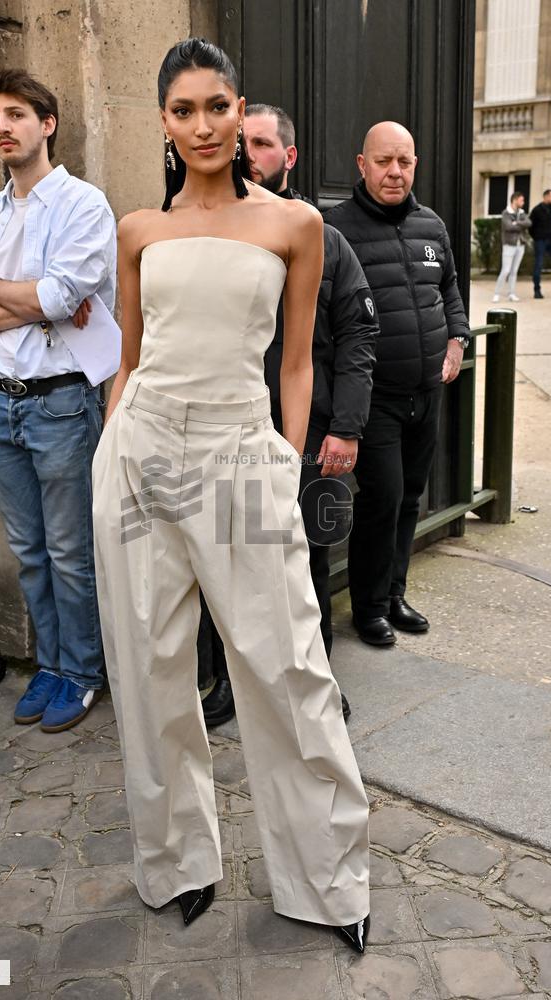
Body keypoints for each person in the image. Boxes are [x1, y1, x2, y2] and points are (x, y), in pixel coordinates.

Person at [92, 38, 370, 952]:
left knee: (284, 660)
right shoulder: (138, 229)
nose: (204, 126)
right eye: (184, 111)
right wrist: (109, 447)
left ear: (239, 109)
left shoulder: (293, 225)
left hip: (239, 453)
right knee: (150, 666)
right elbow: (130, 359)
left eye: (217, 107)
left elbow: (296, 360)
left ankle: (327, 882)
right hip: (139, 453)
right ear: (164, 123)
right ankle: (176, 864)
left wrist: (282, 462)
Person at [0, 68, 116, 732]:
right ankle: (50, 664)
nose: (3, 128)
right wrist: (31, 301)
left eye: (15, 114)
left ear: (45, 124)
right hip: (4, 404)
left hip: (63, 404)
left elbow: (63, 296)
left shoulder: (82, 204)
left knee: (72, 552)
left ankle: (82, 672)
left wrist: (7, 292)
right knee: (31, 551)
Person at [198, 102, 378, 728]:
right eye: (242, 141)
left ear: (289, 157)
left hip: (307, 439)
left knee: (305, 562)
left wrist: (347, 428)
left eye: (264, 144)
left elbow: (356, 337)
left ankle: (314, 683)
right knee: (219, 559)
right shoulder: (202, 235)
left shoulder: (323, 240)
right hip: (222, 434)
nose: (250, 152)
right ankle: (225, 681)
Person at [325, 121, 470, 646]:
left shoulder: (432, 225)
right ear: (361, 166)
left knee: (410, 496)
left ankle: (394, 594)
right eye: (384, 161)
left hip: (426, 391)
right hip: (375, 396)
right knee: (381, 499)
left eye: (404, 162)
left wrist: (458, 337)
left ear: (415, 165)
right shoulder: (335, 228)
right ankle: (367, 608)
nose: (395, 172)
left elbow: (450, 288)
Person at [493, 191, 531, 303]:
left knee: (514, 271)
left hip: (520, 245)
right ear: (514, 200)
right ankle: (496, 294)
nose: (523, 202)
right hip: (509, 245)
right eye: (521, 200)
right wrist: (520, 224)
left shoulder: (522, 212)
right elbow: (508, 226)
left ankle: (511, 294)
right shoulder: (506, 213)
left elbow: (528, 223)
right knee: (506, 270)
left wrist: (516, 223)